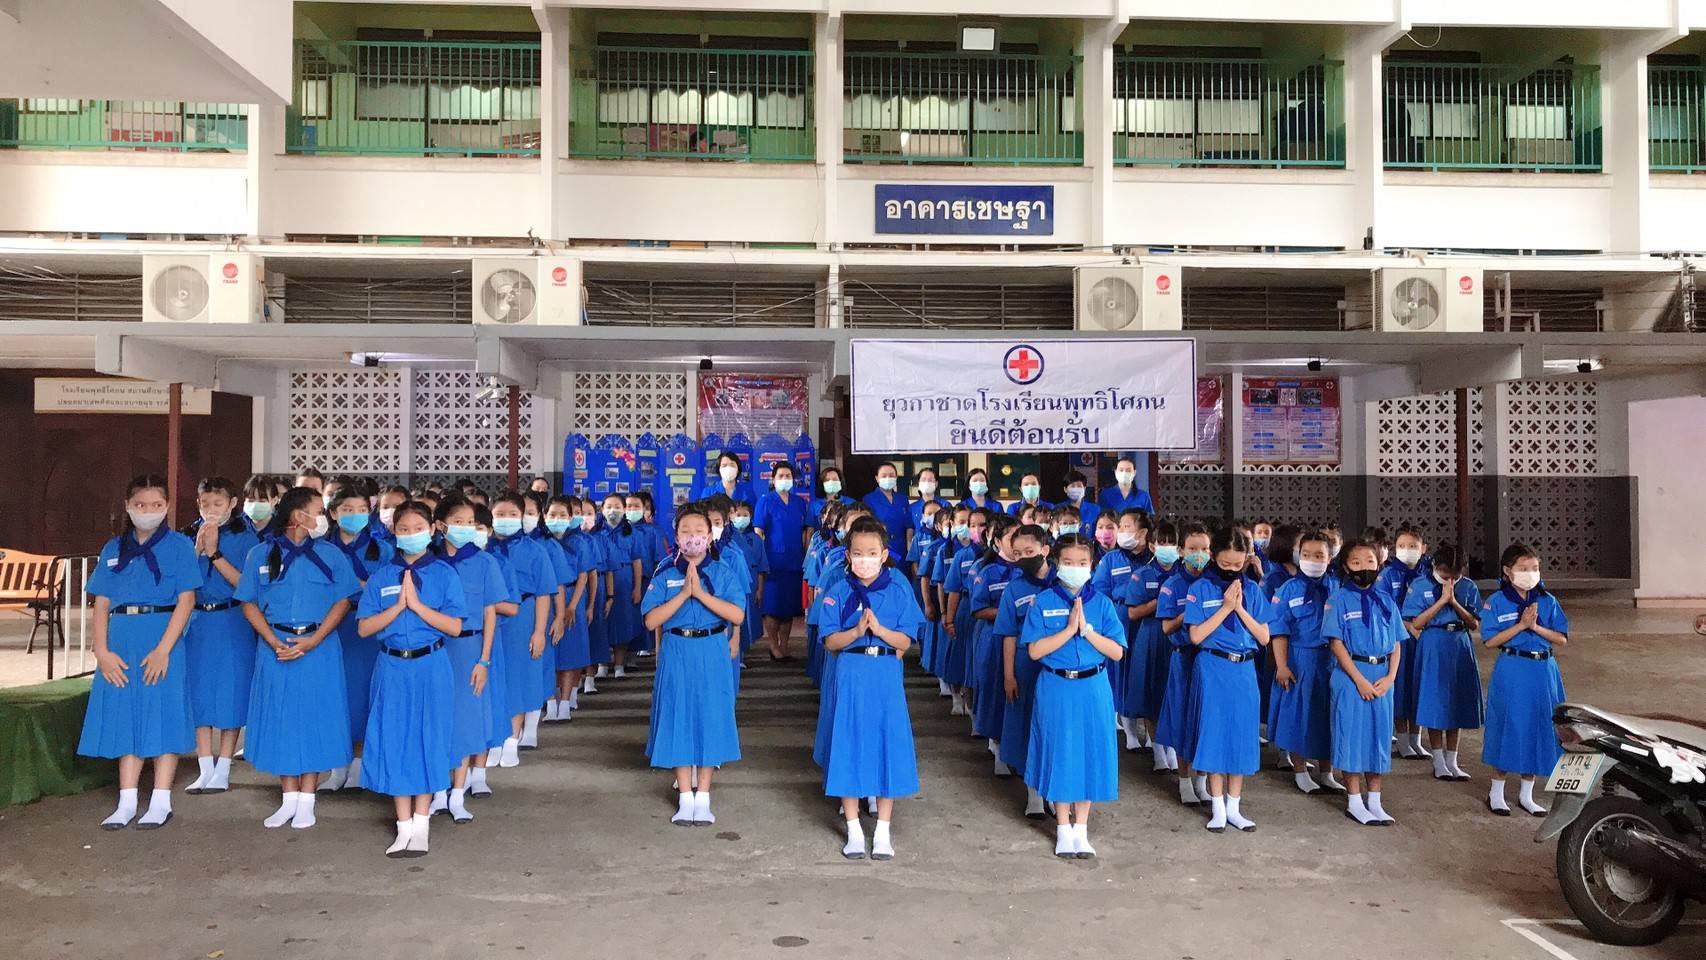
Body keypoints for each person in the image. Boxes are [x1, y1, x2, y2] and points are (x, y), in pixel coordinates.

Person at [78, 475, 200, 829]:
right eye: (140, 505)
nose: (148, 511)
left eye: (156, 505)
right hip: (121, 640)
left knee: (162, 713)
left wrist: (164, 649)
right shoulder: (113, 548)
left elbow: (186, 600)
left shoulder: (179, 546)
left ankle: (161, 800)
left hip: (162, 637)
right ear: (128, 507)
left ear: (167, 507)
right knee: (125, 714)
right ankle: (127, 800)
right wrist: (101, 650)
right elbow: (101, 603)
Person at [235, 486, 359, 830]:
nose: (323, 517)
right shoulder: (260, 554)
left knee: (315, 719)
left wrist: (314, 640)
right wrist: (273, 640)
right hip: (275, 647)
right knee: (282, 720)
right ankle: (288, 798)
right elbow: (248, 602)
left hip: (318, 648)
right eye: (318, 511)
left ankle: (307, 801)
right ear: (298, 515)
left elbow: (343, 601)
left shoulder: (331, 555)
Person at [356, 502, 466, 857]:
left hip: (430, 666)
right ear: (394, 533)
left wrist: (417, 606)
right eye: (403, 529)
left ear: (432, 530)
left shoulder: (445, 574)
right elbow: (364, 628)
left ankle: (421, 824)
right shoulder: (382, 576)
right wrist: (397, 607)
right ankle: (402, 826)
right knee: (394, 738)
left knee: (427, 737)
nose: (411, 534)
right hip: (391, 667)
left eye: (418, 528)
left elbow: (455, 626)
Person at [818, 515, 924, 860]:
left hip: (884, 673)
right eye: (858, 553)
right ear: (848, 555)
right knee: (848, 742)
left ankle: (882, 831)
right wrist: (855, 631)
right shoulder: (838, 591)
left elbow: (905, 641)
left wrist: (878, 630)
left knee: (885, 743)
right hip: (850, 671)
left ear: (884, 555)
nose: (865, 559)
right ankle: (852, 829)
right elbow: (830, 641)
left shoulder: (898, 591)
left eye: (872, 553)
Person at [1020, 534, 1126, 859]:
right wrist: (1067, 630)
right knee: (1060, 752)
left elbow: (1117, 652)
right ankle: (1063, 828)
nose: (1075, 568)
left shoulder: (1102, 604)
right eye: (1068, 562)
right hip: (1057, 687)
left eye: (1082, 563)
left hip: (1093, 688)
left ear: (1092, 565)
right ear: (1056, 563)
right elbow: (1035, 651)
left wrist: (1087, 630)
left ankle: (1082, 828)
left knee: (1090, 754)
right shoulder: (1043, 602)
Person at [642, 504, 746, 826]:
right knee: (679, 716)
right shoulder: (664, 572)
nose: (692, 538)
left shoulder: (722, 572)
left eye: (699, 532)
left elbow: (737, 614)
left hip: (712, 648)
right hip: (677, 649)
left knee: (709, 717)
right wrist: (684, 593)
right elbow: (651, 620)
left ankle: (704, 797)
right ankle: (685, 796)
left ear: (710, 537)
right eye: (685, 532)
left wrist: (700, 594)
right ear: (676, 537)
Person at [1183, 527, 1272, 833]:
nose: (1232, 569)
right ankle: (1217, 807)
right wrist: (1224, 608)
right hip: (1213, 667)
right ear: (1213, 557)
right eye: (1225, 563)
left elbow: (1264, 637)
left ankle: (1235, 807)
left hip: (1243, 670)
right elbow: (1196, 636)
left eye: (1238, 564)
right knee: (1215, 735)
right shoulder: (1200, 588)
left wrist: (1239, 609)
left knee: (1241, 736)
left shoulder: (1253, 590)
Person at [182, 477, 260, 795]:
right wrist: (197, 550)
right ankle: (204, 767)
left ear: (233, 504)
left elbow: (246, 584)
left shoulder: (246, 537)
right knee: (198, 692)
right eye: (205, 504)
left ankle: (224, 767)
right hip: (198, 619)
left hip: (232, 618)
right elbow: (179, 583)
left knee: (231, 691)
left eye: (218, 503)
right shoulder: (188, 535)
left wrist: (214, 554)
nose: (211, 509)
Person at [431, 496, 507, 821]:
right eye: (457, 522)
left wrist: (484, 660)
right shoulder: (428, 562)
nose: (465, 528)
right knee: (437, 720)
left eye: (470, 522)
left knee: (464, 722)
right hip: (435, 650)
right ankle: (437, 792)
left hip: (469, 649)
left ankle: (458, 794)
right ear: (440, 525)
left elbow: (490, 614)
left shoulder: (484, 562)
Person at [1480, 543, 1569, 818]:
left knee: (1538, 726)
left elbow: (1561, 638)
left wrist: (1535, 627)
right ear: (1508, 571)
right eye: (1523, 568)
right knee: (1508, 724)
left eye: (1535, 568)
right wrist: (1520, 625)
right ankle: (1496, 791)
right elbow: (1490, 641)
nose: (1530, 573)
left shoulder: (1547, 600)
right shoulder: (1497, 601)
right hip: (1513, 668)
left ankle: (1526, 794)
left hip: (1542, 670)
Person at [1323, 540, 1402, 826]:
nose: (1364, 567)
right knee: (1351, 736)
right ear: (1345, 566)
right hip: (1351, 676)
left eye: (1370, 561)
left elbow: (1396, 643)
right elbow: (1336, 643)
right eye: (1356, 562)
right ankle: (1354, 801)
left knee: (1378, 738)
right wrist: (1359, 680)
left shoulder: (1386, 600)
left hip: (1382, 678)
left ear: (1379, 564)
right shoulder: (1338, 599)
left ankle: (1375, 801)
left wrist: (1390, 678)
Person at [321, 485, 394, 792]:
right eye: (347, 510)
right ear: (333, 513)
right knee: (333, 695)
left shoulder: (383, 549)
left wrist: (361, 587)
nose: (355, 515)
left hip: (365, 629)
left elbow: (389, 590)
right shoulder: (321, 548)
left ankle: (359, 767)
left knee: (362, 697)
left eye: (362, 510)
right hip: (329, 627)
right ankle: (336, 766)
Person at [1269, 530, 1345, 795]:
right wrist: (1281, 665)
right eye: (1307, 554)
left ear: (1330, 558)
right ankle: (1300, 771)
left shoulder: (1336, 587)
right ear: (1298, 556)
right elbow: (1279, 631)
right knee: (1300, 715)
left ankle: (1327, 772)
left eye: (1319, 555)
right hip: (1300, 659)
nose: (1313, 560)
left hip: (1332, 659)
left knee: (1328, 715)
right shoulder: (1288, 589)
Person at [488, 492, 555, 768]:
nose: (506, 519)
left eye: (513, 515)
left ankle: (511, 740)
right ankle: (493, 739)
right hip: (489, 618)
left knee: (518, 679)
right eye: (500, 514)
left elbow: (544, 593)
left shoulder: (535, 551)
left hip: (523, 618)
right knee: (494, 679)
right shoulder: (483, 549)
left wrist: (539, 631)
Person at [1405, 543, 1482, 782]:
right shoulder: (1420, 585)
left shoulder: (1468, 587)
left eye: (1455, 574)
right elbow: (1416, 623)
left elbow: (1475, 623)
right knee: (1435, 700)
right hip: (1433, 641)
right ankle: (1438, 761)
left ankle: (1452, 761)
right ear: (1435, 566)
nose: (1450, 579)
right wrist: (1441, 601)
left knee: (1456, 701)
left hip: (1459, 642)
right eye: (1445, 573)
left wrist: (1454, 602)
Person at [994, 524, 1053, 818]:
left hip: (1057, 665)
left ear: (1045, 549)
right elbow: (1008, 633)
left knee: (1054, 728)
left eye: (1030, 551)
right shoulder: (1014, 588)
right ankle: (1033, 795)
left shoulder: (1063, 583)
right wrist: (1009, 675)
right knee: (1027, 727)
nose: (1023, 558)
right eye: (1017, 554)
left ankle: (1055, 793)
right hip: (1024, 666)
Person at [1154, 523, 1212, 805]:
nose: (1198, 554)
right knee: (1181, 718)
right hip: (1184, 658)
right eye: (1192, 549)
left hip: (1210, 660)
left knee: (1205, 720)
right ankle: (1184, 780)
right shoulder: (1172, 585)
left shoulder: (1215, 583)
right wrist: (1187, 613)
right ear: (1181, 551)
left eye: (1204, 549)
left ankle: (1202, 781)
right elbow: (1166, 627)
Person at [1092, 508, 1150, 751]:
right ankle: (1129, 732)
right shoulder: (1111, 560)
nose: (1122, 531)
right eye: (1122, 527)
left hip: (1148, 623)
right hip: (1120, 620)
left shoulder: (1153, 559)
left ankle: (1152, 734)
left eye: (1127, 527)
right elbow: (1099, 592)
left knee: (1144, 675)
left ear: (1143, 532)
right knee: (1121, 674)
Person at [1121, 519, 1176, 772]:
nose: (1167, 547)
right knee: (1151, 694)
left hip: (1176, 638)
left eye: (1172, 543)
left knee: (1171, 695)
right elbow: (1133, 612)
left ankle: (1172, 750)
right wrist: (1159, 601)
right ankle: (1158, 753)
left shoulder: (1183, 575)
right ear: (1152, 546)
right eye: (1162, 543)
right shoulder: (1142, 575)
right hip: (1151, 636)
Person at [969, 514, 1021, 772]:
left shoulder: (1031, 570)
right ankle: (998, 746)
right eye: (1012, 537)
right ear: (998, 541)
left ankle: (1015, 747)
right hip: (995, 639)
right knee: (995, 690)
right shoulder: (988, 571)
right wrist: (1008, 612)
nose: (1018, 542)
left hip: (1024, 641)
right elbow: (978, 609)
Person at [1377, 524, 1431, 759]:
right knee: (1401, 686)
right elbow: (1383, 607)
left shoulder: (1428, 574)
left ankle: (1416, 739)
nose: (1407, 550)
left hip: (1422, 638)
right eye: (1402, 545)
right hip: (1398, 639)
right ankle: (1402, 739)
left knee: (1418, 686)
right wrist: (1407, 625)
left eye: (1412, 546)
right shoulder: (1387, 575)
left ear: (1423, 548)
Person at [754, 461, 810, 661]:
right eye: (781, 476)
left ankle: (785, 646)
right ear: (773, 479)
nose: (785, 479)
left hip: (795, 561)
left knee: (788, 608)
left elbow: (805, 532)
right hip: (772, 562)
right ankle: (773, 646)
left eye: (788, 476)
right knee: (772, 607)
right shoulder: (765, 502)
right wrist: (760, 559)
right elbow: (758, 532)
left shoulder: (799, 503)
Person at [544, 495, 593, 720]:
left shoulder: (579, 542)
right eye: (552, 514)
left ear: (570, 517)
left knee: (570, 652)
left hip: (573, 596)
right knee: (550, 652)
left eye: (562, 515)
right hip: (546, 599)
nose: (557, 519)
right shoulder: (541, 542)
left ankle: (565, 702)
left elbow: (583, 576)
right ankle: (550, 701)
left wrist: (572, 607)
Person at [940, 506, 989, 716]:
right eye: (972, 525)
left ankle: (979, 712)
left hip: (988, 611)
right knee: (962, 659)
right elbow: (953, 590)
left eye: (982, 525)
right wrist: (949, 619)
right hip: (966, 610)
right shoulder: (961, 555)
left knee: (980, 663)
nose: (977, 530)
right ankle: (962, 702)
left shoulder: (995, 555)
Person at [728, 500, 770, 669]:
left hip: (751, 581)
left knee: (747, 619)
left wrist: (760, 589)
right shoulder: (729, 538)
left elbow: (761, 566)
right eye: (738, 515)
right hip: (733, 580)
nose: (741, 518)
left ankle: (742, 653)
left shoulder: (756, 539)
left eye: (745, 515)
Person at [862, 462, 912, 560]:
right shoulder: (869, 499)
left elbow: (909, 526)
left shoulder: (902, 499)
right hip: (880, 549)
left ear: (896, 477)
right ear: (877, 478)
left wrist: (910, 551)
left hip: (902, 549)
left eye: (891, 475)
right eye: (884, 476)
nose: (888, 478)